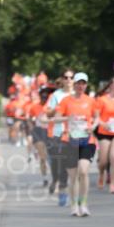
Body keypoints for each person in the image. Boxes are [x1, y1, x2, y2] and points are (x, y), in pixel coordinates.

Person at [53, 72, 99, 216]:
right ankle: (74, 205)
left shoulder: (91, 101)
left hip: (87, 140)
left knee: (83, 171)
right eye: (78, 83)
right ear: (74, 84)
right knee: (73, 176)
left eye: (83, 83)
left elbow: (97, 118)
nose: (80, 86)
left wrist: (93, 126)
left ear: (86, 85)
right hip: (70, 140)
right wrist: (68, 118)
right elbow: (56, 118)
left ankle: (83, 203)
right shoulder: (66, 101)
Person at [46, 70, 74, 205]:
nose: (68, 79)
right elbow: (48, 114)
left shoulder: (78, 95)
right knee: (57, 162)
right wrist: (56, 109)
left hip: (74, 133)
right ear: (62, 80)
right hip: (56, 132)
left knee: (66, 162)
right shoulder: (56, 95)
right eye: (66, 77)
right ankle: (56, 181)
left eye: (71, 77)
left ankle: (63, 188)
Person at [95, 76, 114, 194]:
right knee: (103, 161)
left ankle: (112, 184)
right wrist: (103, 124)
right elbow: (96, 117)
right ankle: (101, 173)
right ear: (111, 86)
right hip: (105, 132)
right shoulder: (102, 100)